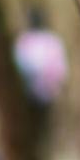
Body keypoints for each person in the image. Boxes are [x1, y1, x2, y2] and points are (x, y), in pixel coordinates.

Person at [12, 8, 68, 145]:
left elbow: (60, 66)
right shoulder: (23, 41)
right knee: (32, 126)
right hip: (28, 93)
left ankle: (51, 149)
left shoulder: (50, 40)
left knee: (49, 126)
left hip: (48, 92)